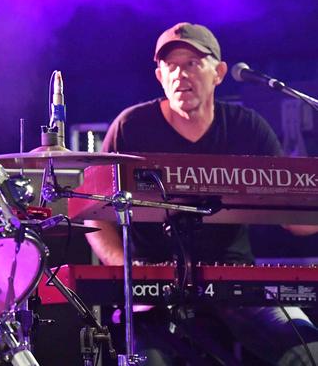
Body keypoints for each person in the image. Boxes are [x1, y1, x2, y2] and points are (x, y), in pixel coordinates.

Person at [85, 22, 318, 365]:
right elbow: (94, 210)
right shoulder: (131, 126)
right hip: (152, 286)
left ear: (219, 72)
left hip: (236, 280)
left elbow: (294, 221)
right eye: (171, 66)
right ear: (160, 76)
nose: (180, 74)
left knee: (308, 351)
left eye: (192, 63)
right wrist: (125, 267)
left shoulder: (247, 127)